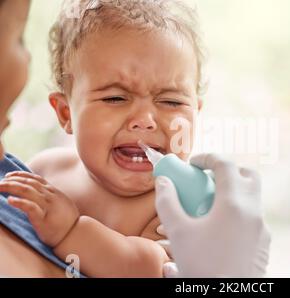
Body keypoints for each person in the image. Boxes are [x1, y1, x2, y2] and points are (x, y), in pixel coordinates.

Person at [0, 0, 271, 278]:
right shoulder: (47, 168)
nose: (146, 119)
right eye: (115, 98)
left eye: (171, 101)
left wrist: (71, 231)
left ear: (196, 114)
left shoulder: (173, 204)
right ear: (66, 113)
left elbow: (146, 266)